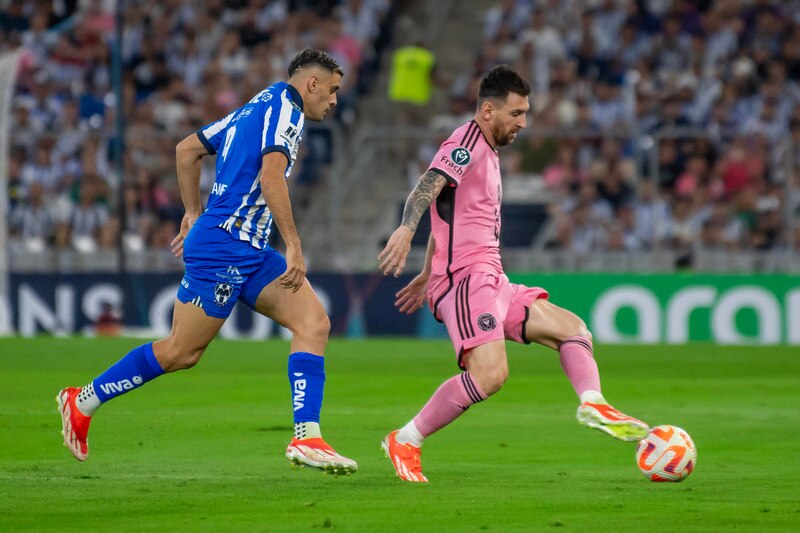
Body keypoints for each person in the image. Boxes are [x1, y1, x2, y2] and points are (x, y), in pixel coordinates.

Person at [57, 49, 357, 475]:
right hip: (224, 247)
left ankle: (307, 437)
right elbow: (271, 178)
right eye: (331, 90)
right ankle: (82, 401)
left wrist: (193, 214)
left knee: (314, 325)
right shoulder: (286, 114)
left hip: (245, 247)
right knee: (182, 351)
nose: (333, 101)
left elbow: (186, 150)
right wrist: (293, 244)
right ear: (311, 83)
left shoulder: (256, 106)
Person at [377, 65, 648, 482]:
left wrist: (428, 268)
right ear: (488, 110)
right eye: (516, 113)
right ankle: (406, 439)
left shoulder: (490, 150)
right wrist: (405, 229)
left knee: (574, 330)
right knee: (490, 374)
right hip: (466, 281)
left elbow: (447, 212)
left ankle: (593, 402)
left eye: (525, 113)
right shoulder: (466, 141)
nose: (523, 123)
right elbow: (428, 187)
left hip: (491, 279)